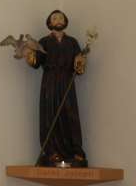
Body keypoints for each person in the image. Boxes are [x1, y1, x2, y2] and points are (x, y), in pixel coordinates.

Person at [24, 10, 88, 167]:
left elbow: (78, 68)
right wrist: (29, 52)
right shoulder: (44, 42)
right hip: (50, 83)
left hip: (66, 82)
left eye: (60, 17)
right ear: (49, 23)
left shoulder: (72, 42)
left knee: (70, 114)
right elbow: (35, 62)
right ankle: (52, 152)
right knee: (50, 115)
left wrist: (80, 61)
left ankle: (75, 151)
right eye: (54, 18)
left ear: (65, 21)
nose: (58, 20)